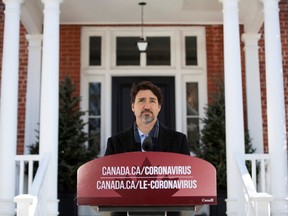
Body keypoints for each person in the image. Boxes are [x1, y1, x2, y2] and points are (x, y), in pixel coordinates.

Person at [105, 80, 191, 216]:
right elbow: (107, 185)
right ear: (132, 106)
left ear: (159, 107)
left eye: (152, 101)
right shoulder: (115, 143)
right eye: (141, 101)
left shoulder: (179, 141)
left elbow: (188, 182)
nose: (147, 106)